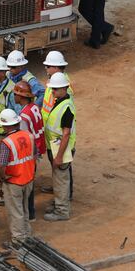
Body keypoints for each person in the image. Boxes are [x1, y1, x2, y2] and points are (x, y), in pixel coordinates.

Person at [0, 109, 35, 247]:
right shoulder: (29, 135)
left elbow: (1, 165)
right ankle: (27, 234)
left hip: (14, 181)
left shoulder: (7, 143)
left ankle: (18, 240)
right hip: (28, 179)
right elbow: (33, 155)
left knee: (16, 211)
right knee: (24, 209)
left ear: (6, 125)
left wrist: (3, 177)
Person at [43, 73, 75, 222]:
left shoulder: (66, 107)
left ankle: (62, 211)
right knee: (58, 179)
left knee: (61, 180)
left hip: (60, 149)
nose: (53, 92)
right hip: (55, 147)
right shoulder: (60, 101)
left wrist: (59, 156)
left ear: (64, 88)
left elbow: (66, 134)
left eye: (55, 89)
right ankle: (59, 205)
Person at [14, 81, 45, 221]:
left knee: (27, 184)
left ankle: (30, 213)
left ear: (21, 96)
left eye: (15, 94)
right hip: (38, 148)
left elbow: (24, 139)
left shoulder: (23, 116)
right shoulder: (34, 107)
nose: (14, 97)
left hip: (31, 153)